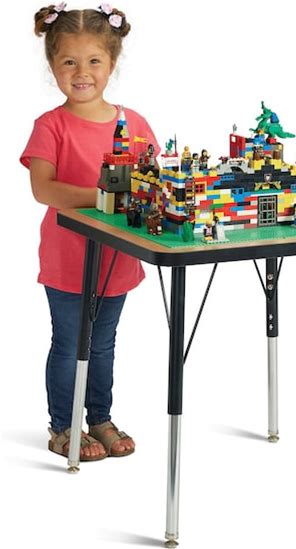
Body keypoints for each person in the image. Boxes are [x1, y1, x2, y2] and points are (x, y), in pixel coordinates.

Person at [20, 4, 160, 461]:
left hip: (118, 258)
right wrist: (104, 196)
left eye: (94, 60)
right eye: (69, 61)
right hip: (68, 259)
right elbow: (43, 189)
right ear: (52, 65)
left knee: (103, 345)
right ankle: (64, 425)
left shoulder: (133, 123)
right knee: (69, 344)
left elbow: (151, 179)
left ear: (112, 63)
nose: (82, 73)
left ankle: (99, 417)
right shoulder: (51, 125)